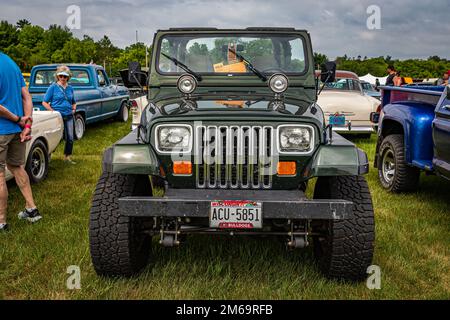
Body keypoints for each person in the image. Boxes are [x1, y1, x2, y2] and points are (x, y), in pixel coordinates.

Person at [0, 52, 42, 231]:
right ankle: (31, 209)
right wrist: (27, 124)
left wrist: (18, 120)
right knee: (17, 167)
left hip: (3, 129)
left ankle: (1, 221)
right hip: (17, 131)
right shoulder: (10, 62)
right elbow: (27, 97)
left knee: (0, 174)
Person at [42, 66, 77, 164]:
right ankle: (48, 155)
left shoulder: (70, 88)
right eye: (60, 76)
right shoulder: (53, 87)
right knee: (55, 137)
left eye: (65, 77)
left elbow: (73, 102)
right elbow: (44, 102)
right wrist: (53, 111)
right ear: (57, 76)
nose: (62, 78)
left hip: (69, 116)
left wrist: (74, 109)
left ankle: (67, 156)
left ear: (68, 77)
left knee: (70, 138)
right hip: (57, 117)